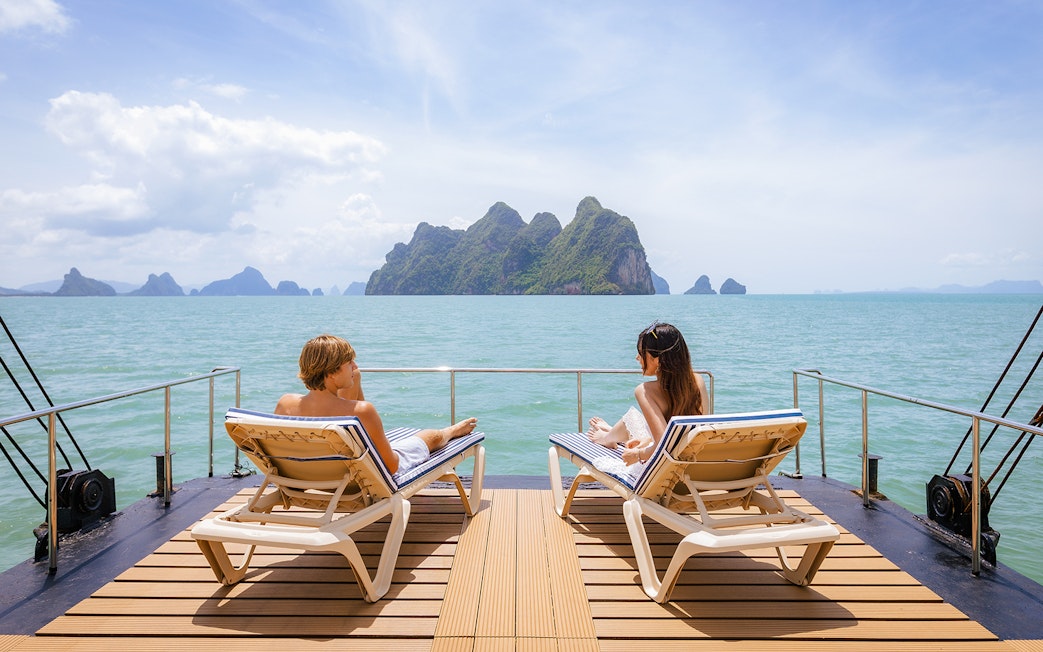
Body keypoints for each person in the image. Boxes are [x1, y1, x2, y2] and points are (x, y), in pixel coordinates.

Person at [275, 334, 478, 475]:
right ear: (331, 372)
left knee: (355, 381)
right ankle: (451, 431)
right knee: (432, 437)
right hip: (353, 480)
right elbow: (391, 467)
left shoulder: (286, 404)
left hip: (306, 475)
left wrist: (353, 378)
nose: (355, 366)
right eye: (349, 363)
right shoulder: (363, 411)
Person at [588, 322, 706, 469]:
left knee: (632, 420)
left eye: (641, 352)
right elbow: (700, 433)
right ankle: (610, 434)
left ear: (658, 359)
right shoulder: (698, 381)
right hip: (693, 463)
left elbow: (663, 446)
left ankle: (606, 438)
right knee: (633, 418)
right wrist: (646, 443)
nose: (637, 358)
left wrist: (637, 454)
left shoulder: (645, 391)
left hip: (666, 468)